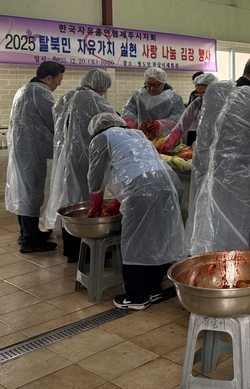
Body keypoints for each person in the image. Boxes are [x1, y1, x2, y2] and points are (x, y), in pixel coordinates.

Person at [87, 113, 185, 311]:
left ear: (95, 131)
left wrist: (95, 209)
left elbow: (95, 180)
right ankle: (153, 287)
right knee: (157, 237)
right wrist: (115, 205)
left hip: (143, 190)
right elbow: (133, 171)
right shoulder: (136, 135)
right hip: (170, 184)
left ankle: (137, 296)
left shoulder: (101, 139)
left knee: (136, 242)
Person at [187, 54, 250, 255]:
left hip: (203, 171)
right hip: (233, 181)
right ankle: (226, 272)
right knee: (229, 235)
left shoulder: (214, 89)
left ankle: (201, 268)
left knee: (203, 226)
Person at [46, 69, 116, 262]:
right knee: (85, 201)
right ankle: (86, 253)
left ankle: (71, 251)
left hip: (65, 157)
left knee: (69, 200)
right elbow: (111, 126)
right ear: (102, 86)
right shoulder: (97, 101)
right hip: (87, 158)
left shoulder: (65, 98)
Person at [6, 61, 65, 253]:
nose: (59, 84)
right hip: (33, 151)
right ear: (48, 78)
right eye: (58, 80)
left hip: (24, 150)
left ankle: (28, 233)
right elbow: (55, 120)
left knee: (26, 192)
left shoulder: (24, 90)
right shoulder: (40, 92)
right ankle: (29, 239)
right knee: (32, 193)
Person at [158, 73, 218, 152]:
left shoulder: (223, 105)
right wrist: (169, 142)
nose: (202, 97)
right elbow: (181, 126)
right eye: (199, 93)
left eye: (204, 93)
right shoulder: (197, 104)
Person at [122, 66, 184, 138]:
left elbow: (178, 118)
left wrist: (161, 124)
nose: (152, 88)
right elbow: (128, 111)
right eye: (148, 84)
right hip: (143, 136)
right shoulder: (138, 95)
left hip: (167, 138)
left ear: (163, 83)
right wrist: (129, 123)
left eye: (156, 85)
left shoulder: (174, 98)